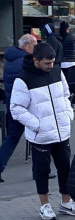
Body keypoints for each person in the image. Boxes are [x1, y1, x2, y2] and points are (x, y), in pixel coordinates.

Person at [10, 43, 75, 220]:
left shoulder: (57, 71)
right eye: (47, 63)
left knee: (65, 167)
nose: (51, 66)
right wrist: (37, 124)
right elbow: (16, 108)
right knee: (41, 171)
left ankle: (66, 203)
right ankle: (44, 206)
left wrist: (67, 114)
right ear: (36, 60)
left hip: (61, 131)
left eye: (53, 62)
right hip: (41, 135)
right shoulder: (23, 79)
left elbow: (65, 94)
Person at [0, 34, 37, 183]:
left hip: (13, 105)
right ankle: (39, 172)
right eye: (35, 45)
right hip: (26, 106)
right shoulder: (25, 61)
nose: (36, 48)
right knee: (38, 138)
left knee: (12, 137)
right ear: (26, 46)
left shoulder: (10, 58)